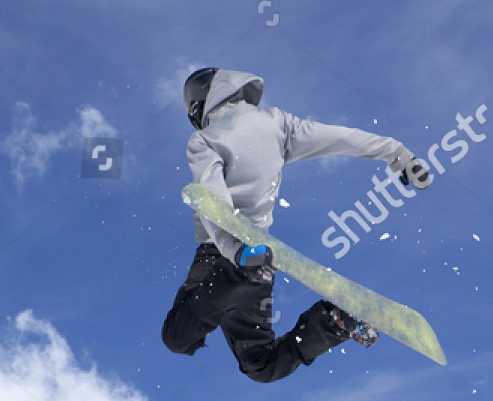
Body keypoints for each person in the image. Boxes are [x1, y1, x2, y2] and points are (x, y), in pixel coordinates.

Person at [163, 67, 430, 383]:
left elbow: (212, 200)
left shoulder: (204, 140)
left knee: (177, 337)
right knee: (261, 364)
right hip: (261, 260)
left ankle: (245, 275)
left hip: (226, 258)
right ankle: (336, 321)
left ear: (198, 105)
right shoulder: (279, 123)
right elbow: (339, 138)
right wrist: (396, 153)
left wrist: (236, 253)